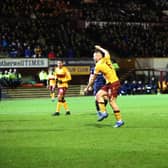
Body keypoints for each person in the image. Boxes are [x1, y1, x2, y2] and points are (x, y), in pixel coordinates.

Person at [84, 45, 124, 128]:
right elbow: (106, 52)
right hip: (109, 83)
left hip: (114, 83)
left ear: (98, 57)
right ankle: (104, 112)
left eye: (94, 56)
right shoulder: (106, 59)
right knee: (98, 95)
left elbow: (92, 79)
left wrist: (87, 87)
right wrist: (100, 48)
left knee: (112, 102)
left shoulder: (98, 66)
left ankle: (119, 120)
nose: (93, 58)